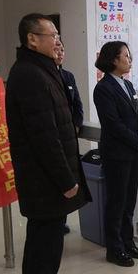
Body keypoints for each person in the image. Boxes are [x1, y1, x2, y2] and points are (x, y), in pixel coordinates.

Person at [6, 13, 92, 274]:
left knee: (44, 243)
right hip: (45, 181)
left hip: (46, 179)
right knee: (44, 248)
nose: (57, 40)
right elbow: (44, 137)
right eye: (52, 34)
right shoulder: (30, 75)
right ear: (32, 39)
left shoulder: (43, 70)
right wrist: (66, 180)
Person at [93, 41, 138, 267]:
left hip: (133, 152)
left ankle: (128, 242)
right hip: (117, 153)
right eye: (126, 56)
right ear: (113, 60)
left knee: (129, 201)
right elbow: (112, 124)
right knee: (116, 202)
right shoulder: (103, 88)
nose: (130, 59)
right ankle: (114, 248)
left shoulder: (128, 85)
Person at [55, 40, 85, 234]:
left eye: (62, 49)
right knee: (59, 174)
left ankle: (63, 218)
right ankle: (57, 218)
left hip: (69, 136)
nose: (60, 53)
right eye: (56, 49)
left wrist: (77, 124)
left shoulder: (68, 76)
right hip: (55, 135)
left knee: (70, 174)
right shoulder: (45, 77)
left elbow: (78, 105)